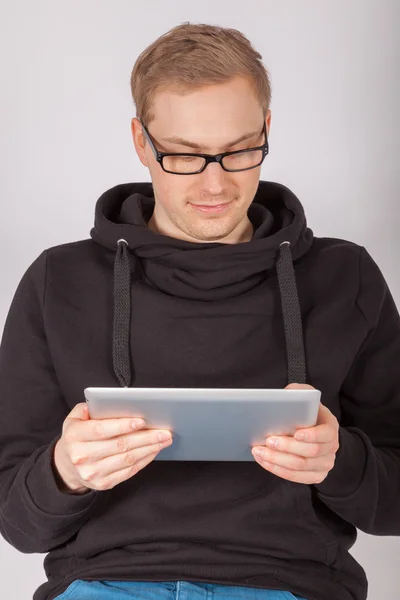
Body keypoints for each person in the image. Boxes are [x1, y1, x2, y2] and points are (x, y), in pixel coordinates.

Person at [0, 21, 399, 600]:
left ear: (266, 129)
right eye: (185, 156)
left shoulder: (345, 277)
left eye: (239, 151)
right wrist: (66, 472)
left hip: (290, 585)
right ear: (142, 143)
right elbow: (16, 522)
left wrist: (340, 462)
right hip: (104, 584)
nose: (215, 183)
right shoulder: (56, 282)